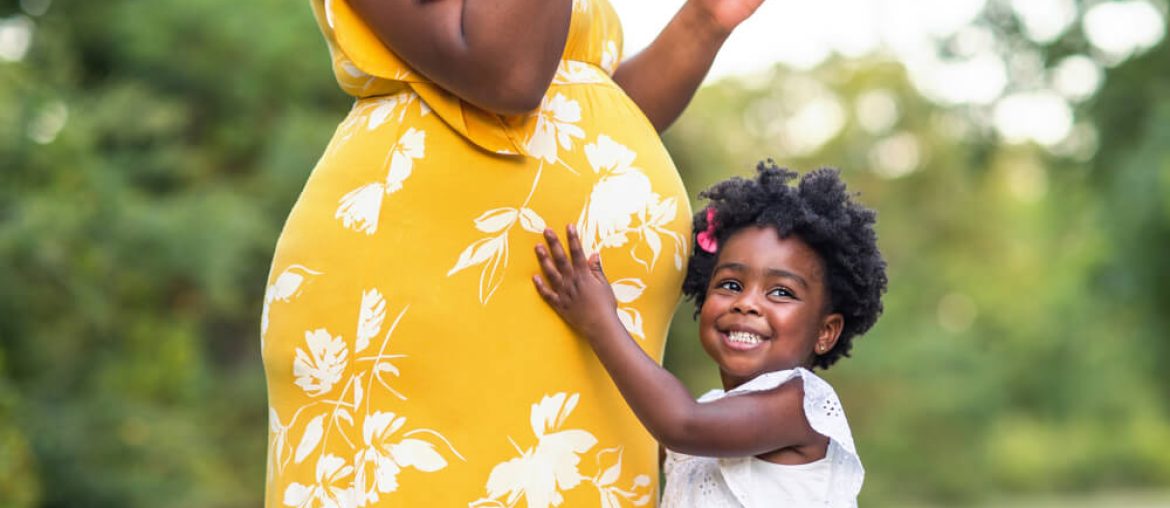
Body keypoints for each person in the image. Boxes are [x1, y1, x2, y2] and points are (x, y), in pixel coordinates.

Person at [262, 0, 763, 505]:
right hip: (431, 281)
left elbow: (575, 112)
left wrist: (704, 19)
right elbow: (507, 74)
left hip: (579, 334)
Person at [532, 164, 888, 507]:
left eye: (781, 292)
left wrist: (600, 321)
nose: (746, 304)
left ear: (825, 332)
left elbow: (681, 424)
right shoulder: (709, 411)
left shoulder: (801, 405)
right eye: (731, 285)